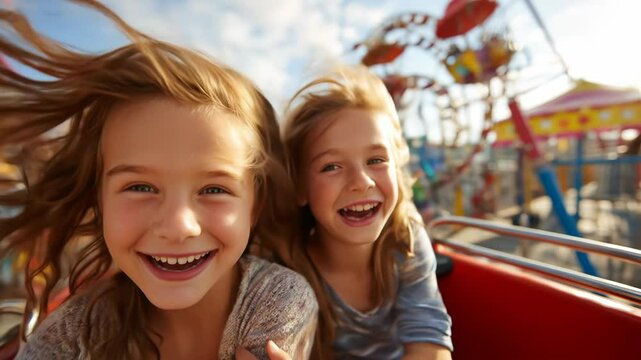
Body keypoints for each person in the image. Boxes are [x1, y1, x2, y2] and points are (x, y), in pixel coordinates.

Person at [0, 1, 317, 359]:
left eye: (214, 189)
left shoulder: (276, 299)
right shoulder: (71, 334)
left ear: (254, 206)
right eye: (140, 187)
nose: (178, 226)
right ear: (100, 201)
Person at [282, 65, 453, 359]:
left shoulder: (405, 239)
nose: (362, 182)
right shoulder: (287, 270)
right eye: (331, 166)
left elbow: (430, 341)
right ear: (299, 188)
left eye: (376, 159)